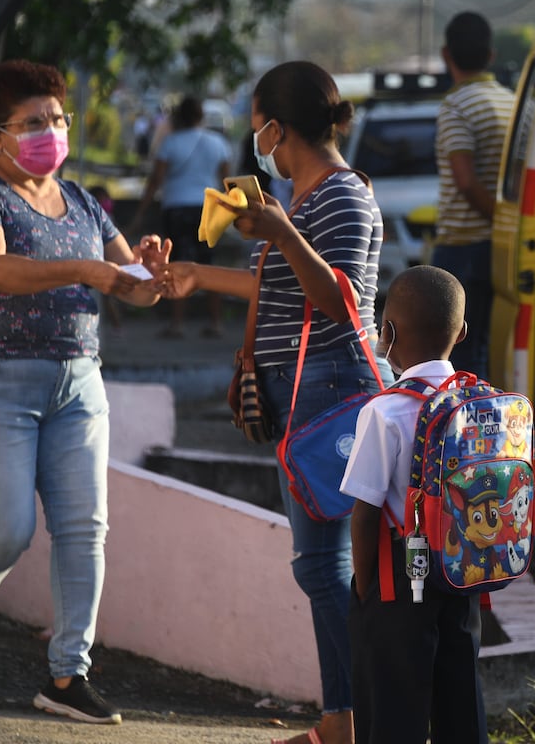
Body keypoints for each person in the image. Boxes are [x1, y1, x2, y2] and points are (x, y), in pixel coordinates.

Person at [153, 61, 389, 744]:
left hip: (332, 386)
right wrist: (200, 276)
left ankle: (354, 721)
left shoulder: (340, 197)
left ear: (277, 128)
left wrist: (282, 231)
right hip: (305, 386)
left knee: (330, 564)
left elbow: (339, 302)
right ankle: (347, 720)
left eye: (258, 123)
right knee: (328, 564)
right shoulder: (306, 197)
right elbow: (283, 293)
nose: (255, 138)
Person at [0, 58, 169, 725]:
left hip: (80, 384)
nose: (51, 131)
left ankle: (66, 677)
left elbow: (134, 286)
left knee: (85, 529)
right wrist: (88, 268)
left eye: (57, 118)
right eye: (34, 122)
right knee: (4, 532)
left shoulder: (84, 201)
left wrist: (151, 274)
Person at [341, 265, 487, 744]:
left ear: (388, 332)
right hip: (463, 569)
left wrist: (365, 597)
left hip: (397, 581)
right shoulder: (478, 404)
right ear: (461, 332)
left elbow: (364, 515)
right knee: (460, 701)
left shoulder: (384, 410)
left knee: (392, 710)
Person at [432, 10, 515, 376]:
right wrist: (507, 227)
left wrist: (497, 221)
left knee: (457, 359)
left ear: (446, 54)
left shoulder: (456, 106)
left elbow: (464, 181)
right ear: (491, 56)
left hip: (462, 248)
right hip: (501, 249)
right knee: (487, 350)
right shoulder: (510, 103)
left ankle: (462, 431)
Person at [134, 95, 233, 338]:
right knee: (209, 264)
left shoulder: (170, 143)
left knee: (176, 263)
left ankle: (177, 323)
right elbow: (227, 181)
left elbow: (156, 180)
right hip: (207, 207)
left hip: (176, 207)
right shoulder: (217, 142)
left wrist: (141, 211)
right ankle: (216, 321)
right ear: (201, 117)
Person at [87, 186, 123, 334]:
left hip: (107, 268)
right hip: (99, 268)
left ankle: (116, 326)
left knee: (109, 300)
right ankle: (115, 327)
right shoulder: (92, 214)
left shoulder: (102, 216)